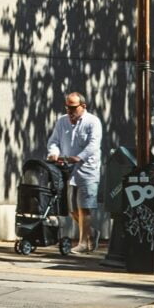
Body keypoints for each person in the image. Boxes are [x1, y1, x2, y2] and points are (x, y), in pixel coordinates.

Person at [46, 91, 104, 255]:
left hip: (88, 170)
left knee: (84, 208)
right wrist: (54, 153)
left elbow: (93, 145)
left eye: (73, 107)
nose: (69, 111)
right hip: (68, 170)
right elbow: (53, 141)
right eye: (67, 107)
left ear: (83, 106)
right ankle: (91, 233)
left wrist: (78, 157)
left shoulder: (92, 122)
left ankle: (83, 243)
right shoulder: (62, 121)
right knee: (72, 209)